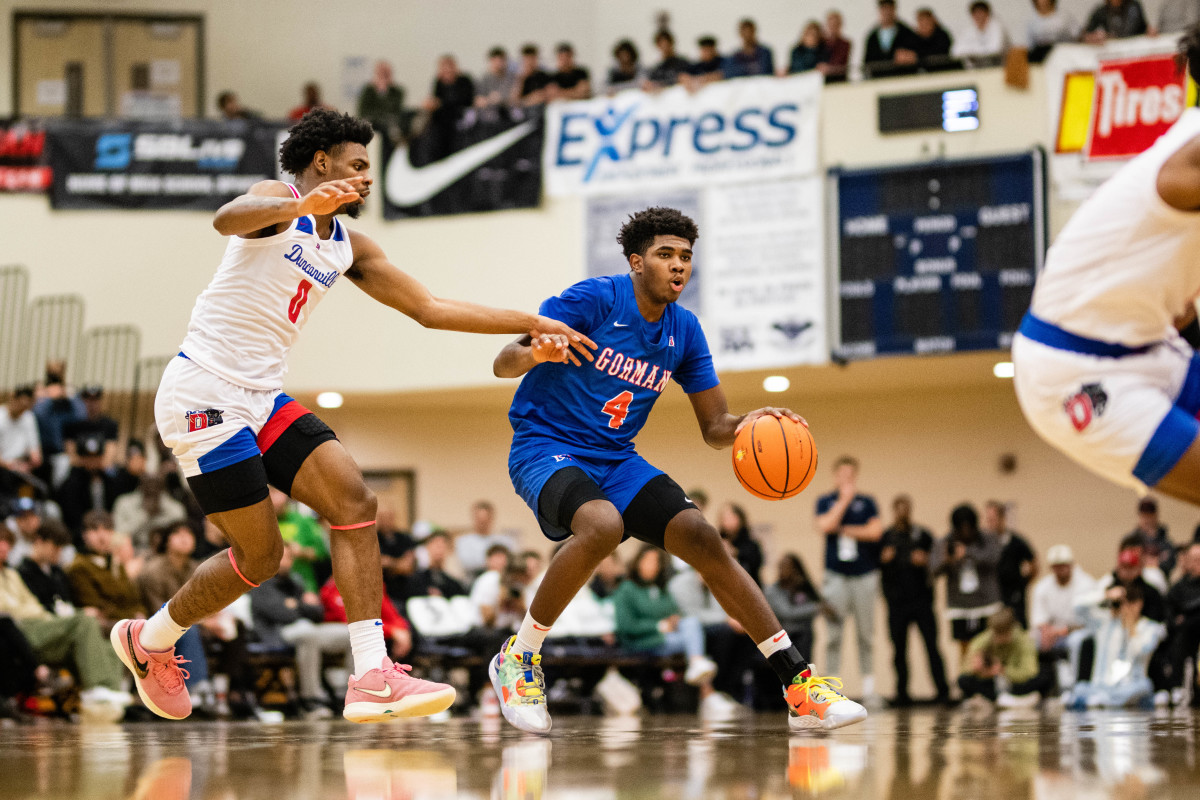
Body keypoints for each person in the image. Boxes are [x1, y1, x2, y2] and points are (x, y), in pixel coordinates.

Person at [106, 108, 592, 723]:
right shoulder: (275, 199)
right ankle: (148, 640)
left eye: (370, 168)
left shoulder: (349, 245)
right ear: (321, 163)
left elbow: (432, 307)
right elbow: (226, 218)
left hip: (261, 397)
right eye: (357, 165)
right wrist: (299, 208)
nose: (366, 179)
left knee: (355, 502)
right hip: (204, 393)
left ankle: (371, 675)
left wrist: (532, 321)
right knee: (260, 560)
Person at [487, 206, 867, 734]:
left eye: (686, 257)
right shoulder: (594, 299)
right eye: (666, 254)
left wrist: (751, 423)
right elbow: (503, 360)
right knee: (601, 526)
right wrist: (535, 353)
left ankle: (798, 683)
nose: (679, 265)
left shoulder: (684, 330)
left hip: (616, 456)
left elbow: (714, 428)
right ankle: (519, 656)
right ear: (636, 262)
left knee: (701, 536)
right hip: (544, 445)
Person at [613, 546, 725, 714]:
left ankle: (697, 664)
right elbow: (626, 626)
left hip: (666, 637)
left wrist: (674, 620)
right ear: (638, 562)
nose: (652, 566)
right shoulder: (626, 589)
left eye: (656, 562)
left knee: (691, 623)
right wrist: (659, 626)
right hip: (641, 641)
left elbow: (674, 612)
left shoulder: (662, 589)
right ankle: (706, 691)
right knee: (694, 642)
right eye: (648, 561)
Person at [249, 546, 350, 719]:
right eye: (280, 557)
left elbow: (318, 612)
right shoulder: (260, 583)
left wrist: (296, 604)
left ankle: (350, 693)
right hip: (277, 634)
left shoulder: (296, 581)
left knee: (349, 633)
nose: (285, 561)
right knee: (307, 635)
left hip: (307, 628)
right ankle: (311, 699)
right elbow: (281, 614)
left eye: (288, 557)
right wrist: (303, 606)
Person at [815, 456, 883, 703]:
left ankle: (869, 689)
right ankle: (831, 690)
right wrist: (843, 501)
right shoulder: (825, 501)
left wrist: (847, 530)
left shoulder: (867, 502)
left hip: (864, 576)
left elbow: (875, 532)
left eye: (850, 475)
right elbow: (825, 525)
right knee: (833, 634)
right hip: (835, 577)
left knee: (866, 633)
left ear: (855, 477)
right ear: (835, 477)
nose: (846, 479)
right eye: (841, 475)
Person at [879, 495, 950, 705]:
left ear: (910, 510)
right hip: (896, 603)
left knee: (932, 647)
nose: (902, 513)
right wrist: (884, 560)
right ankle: (902, 694)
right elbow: (875, 565)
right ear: (893, 511)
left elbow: (938, 563)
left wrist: (926, 561)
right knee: (899, 650)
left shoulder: (923, 535)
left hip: (922, 601)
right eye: (898, 509)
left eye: (906, 508)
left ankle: (942, 691)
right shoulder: (886, 537)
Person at [1067, 582, 1165, 708]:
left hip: (1130, 686)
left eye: (1128, 602)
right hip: (1100, 687)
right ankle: (1103, 701)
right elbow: (1077, 607)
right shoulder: (1104, 623)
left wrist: (1130, 626)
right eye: (1120, 603)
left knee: (1144, 687)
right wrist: (1105, 595)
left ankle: (1099, 702)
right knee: (1080, 688)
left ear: (1139, 603)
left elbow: (1140, 651)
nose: (1123, 607)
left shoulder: (1149, 628)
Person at [932, 504, 1003, 654]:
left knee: (991, 647)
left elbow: (994, 559)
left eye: (969, 529)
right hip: (960, 606)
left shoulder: (987, 538)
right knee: (966, 650)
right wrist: (947, 560)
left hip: (987, 604)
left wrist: (968, 552)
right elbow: (933, 570)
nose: (965, 533)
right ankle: (967, 677)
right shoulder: (946, 542)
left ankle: (991, 677)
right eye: (961, 529)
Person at [1029, 544, 1095, 690]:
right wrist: (1046, 632)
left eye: (1063, 565)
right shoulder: (1043, 587)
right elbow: (1040, 618)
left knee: (1076, 641)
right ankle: (1043, 686)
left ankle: (1078, 684)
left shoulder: (1086, 584)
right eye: (1056, 566)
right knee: (1034, 641)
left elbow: (1090, 621)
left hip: (1078, 631)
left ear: (1071, 565)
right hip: (1053, 632)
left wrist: (1061, 631)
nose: (1060, 570)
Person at [67, 511, 145, 633]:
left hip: (129, 626)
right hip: (107, 631)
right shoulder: (79, 567)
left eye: (107, 529)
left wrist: (140, 614)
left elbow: (134, 600)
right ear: (84, 535)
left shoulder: (115, 562)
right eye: (95, 530)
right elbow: (99, 610)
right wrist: (131, 617)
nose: (102, 536)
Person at [958, 608, 1045, 708]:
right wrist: (977, 669)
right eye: (997, 634)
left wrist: (1004, 670)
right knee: (963, 680)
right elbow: (963, 670)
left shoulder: (1024, 640)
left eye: (1004, 634)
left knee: (1042, 677)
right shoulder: (981, 641)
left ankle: (1009, 699)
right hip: (990, 682)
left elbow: (1030, 671)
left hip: (1014, 682)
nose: (1000, 639)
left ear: (1012, 628)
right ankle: (993, 700)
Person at [984, 501, 1037, 629]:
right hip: (992, 595)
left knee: (1018, 627)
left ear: (1002, 518)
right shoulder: (985, 543)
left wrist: (1023, 583)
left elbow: (1033, 562)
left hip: (1014, 595)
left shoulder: (1016, 541)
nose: (989, 523)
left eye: (993, 519)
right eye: (988, 520)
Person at [764, 553, 821, 667]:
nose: (782, 570)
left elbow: (816, 604)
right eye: (781, 566)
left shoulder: (801, 588)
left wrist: (799, 588)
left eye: (787, 567)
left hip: (801, 635)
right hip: (780, 636)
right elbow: (787, 612)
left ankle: (805, 673)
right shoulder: (772, 591)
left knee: (805, 634)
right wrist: (816, 608)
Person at [112, 475, 188, 553]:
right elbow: (119, 535)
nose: (152, 490)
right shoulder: (124, 503)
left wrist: (161, 508)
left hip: (165, 554)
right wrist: (144, 515)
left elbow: (181, 532)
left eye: (156, 488)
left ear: (163, 489)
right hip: (132, 552)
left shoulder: (175, 508)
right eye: (148, 489)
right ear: (140, 487)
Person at [1164, 543, 1200, 704]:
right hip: (1186, 638)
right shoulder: (1179, 587)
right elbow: (1169, 612)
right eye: (1195, 559)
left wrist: (1187, 617)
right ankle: (1178, 687)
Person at [15, 520, 76, 614]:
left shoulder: (57, 572)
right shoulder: (21, 572)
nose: (59, 552)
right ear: (39, 541)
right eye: (55, 547)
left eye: (61, 548)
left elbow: (67, 601)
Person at [0, 385, 42, 498]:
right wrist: (9, 465)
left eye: (26, 407)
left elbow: (36, 454)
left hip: (21, 466)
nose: (22, 410)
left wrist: (28, 465)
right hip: (4, 466)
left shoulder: (29, 418)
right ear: (13, 399)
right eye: (21, 405)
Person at [864, 0, 921, 76]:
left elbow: (916, 56)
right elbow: (867, 63)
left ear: (894, 9)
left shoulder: (907, 33)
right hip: (879, 81)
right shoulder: (872, 37)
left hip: (902, 79)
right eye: (884, 9)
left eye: (889, 9)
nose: (887, 13)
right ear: (880, 10)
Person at [356, 60, 406, 140]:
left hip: (389, 125)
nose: (383, 78)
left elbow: (396, 111)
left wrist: (383, 93)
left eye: (386, 74)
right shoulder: (368, 90)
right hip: (371, 122)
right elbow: (362, 111)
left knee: (393, 130)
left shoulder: (397, 92)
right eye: (380, 74)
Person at [716, 503, 764, 585]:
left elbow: (757, 563)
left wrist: (735, 552)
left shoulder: (751, 544)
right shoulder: (718, 541)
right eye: (723, 518)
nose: (725, 520)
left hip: (748, 588)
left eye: (729, 517)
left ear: (739, 519)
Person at [1130, 497, 1177, 579]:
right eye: (1144, 516)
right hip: (1135, 582)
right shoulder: (1130, 540)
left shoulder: (1166, 543)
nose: (1147, 520)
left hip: (1157, 583)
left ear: (1156, 516)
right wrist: (1156, 560)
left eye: (1150, 516)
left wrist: (1143, 560)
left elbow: (1169, 564)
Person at [1083, 0, 1149, 43]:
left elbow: (1144, 28)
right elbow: (1084, 35)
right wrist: (1093, 37)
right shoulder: (1101, 12)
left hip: (1134, 49)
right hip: (1112, 51)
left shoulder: (1134, 7)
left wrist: (1149, 31)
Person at [475, 47, 515, 114]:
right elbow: (478, 101)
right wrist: (490, 100)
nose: (499, 63)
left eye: (502, 60)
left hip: (508, 110)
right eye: (496, 61)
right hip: (489, 112)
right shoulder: (483, 78)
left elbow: (515, 98)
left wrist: (501, 99)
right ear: (491, 61)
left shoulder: (512, 77)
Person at [820, 11, 853, 81]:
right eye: (831, 25)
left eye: (835, 25)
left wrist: (828, 69)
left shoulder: (845, 44)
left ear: (840, 25)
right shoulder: (821, 43)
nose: (832, 28)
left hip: (839, 80)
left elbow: (840, 63)